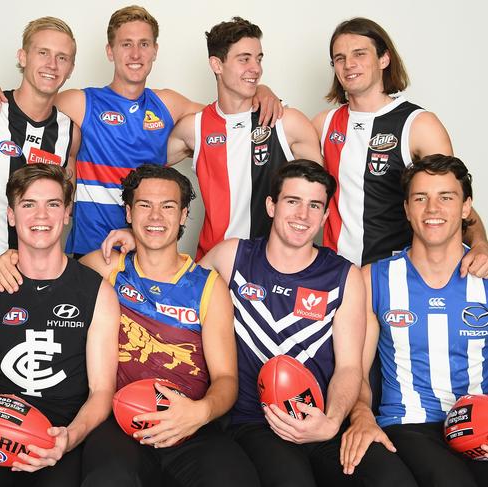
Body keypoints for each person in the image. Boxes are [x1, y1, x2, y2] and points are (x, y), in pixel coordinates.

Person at [98, 161, 416, 486]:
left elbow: (350, 368)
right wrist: (143, 236)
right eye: (293, 201)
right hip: (255, 421)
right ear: (271, 205)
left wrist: (333, 422)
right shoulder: (232, 256)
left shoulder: (343, 275)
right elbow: (174, 281)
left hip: (320, 419)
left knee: (392, 479)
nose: (302, 215)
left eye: (314, 206)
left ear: (324, 216)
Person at [0, 5, 282, 258]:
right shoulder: (79, 102)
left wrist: (260, 90)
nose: (135, 54)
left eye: (144, 44)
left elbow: (229, 115)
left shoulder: (169, 104)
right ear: (110, 51)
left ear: (155, 50)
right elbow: (27, 105)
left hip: (146, 253)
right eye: (126, 44)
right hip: (88, 253)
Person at [0, 163, 120, 487]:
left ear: (67, 213)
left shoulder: (98, 293)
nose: (41, 216)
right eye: (28, 204)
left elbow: (101, 391)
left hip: (58, 433)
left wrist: (68, 439)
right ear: (12, 215)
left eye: (52, 204)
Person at [78, 164, 259, 486]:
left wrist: (199, 413)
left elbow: (227, 378)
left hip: (190, 424)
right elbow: (43, 278)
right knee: (109, 479)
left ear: (184, 215)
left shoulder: (208, 286)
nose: (156, 216)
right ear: (129, 213)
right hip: (118, 421)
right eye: (145, 205)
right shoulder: (104, 267)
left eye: (168, 207)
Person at [340, 154, 488, 487]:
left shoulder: (485, 275)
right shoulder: (373, 279)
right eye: (421, 198)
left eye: (446, 197)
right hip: (409, 424)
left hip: (481, 422)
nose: (433, 209)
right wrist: (362, 413)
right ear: (407, 209)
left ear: (466, 208)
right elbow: (356, 370)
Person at [313, 17, 488, 274]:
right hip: (337, 274)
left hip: (400, 275)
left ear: (384, 59)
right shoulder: (323, 124)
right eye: (339, 58)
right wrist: (262, 92)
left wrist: (480, 242)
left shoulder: (419, 125)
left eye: (359, 54)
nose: (349, 64)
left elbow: (450, 199)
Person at [166, 17, 321, 259]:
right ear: (217, 65)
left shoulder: (287, 122)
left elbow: (323, 193)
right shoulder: (193, 128)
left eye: (258, 59)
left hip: (270, 269)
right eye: (244, 59)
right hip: (212, 266)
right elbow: (141, 168)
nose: (256, 68)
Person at [0, 17, 80, 272]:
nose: (52, 64)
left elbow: (64, 207)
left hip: (40, 280)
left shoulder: (70, 133)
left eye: (62, 57)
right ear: (22, 57)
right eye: (43, 53)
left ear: (71, 68)